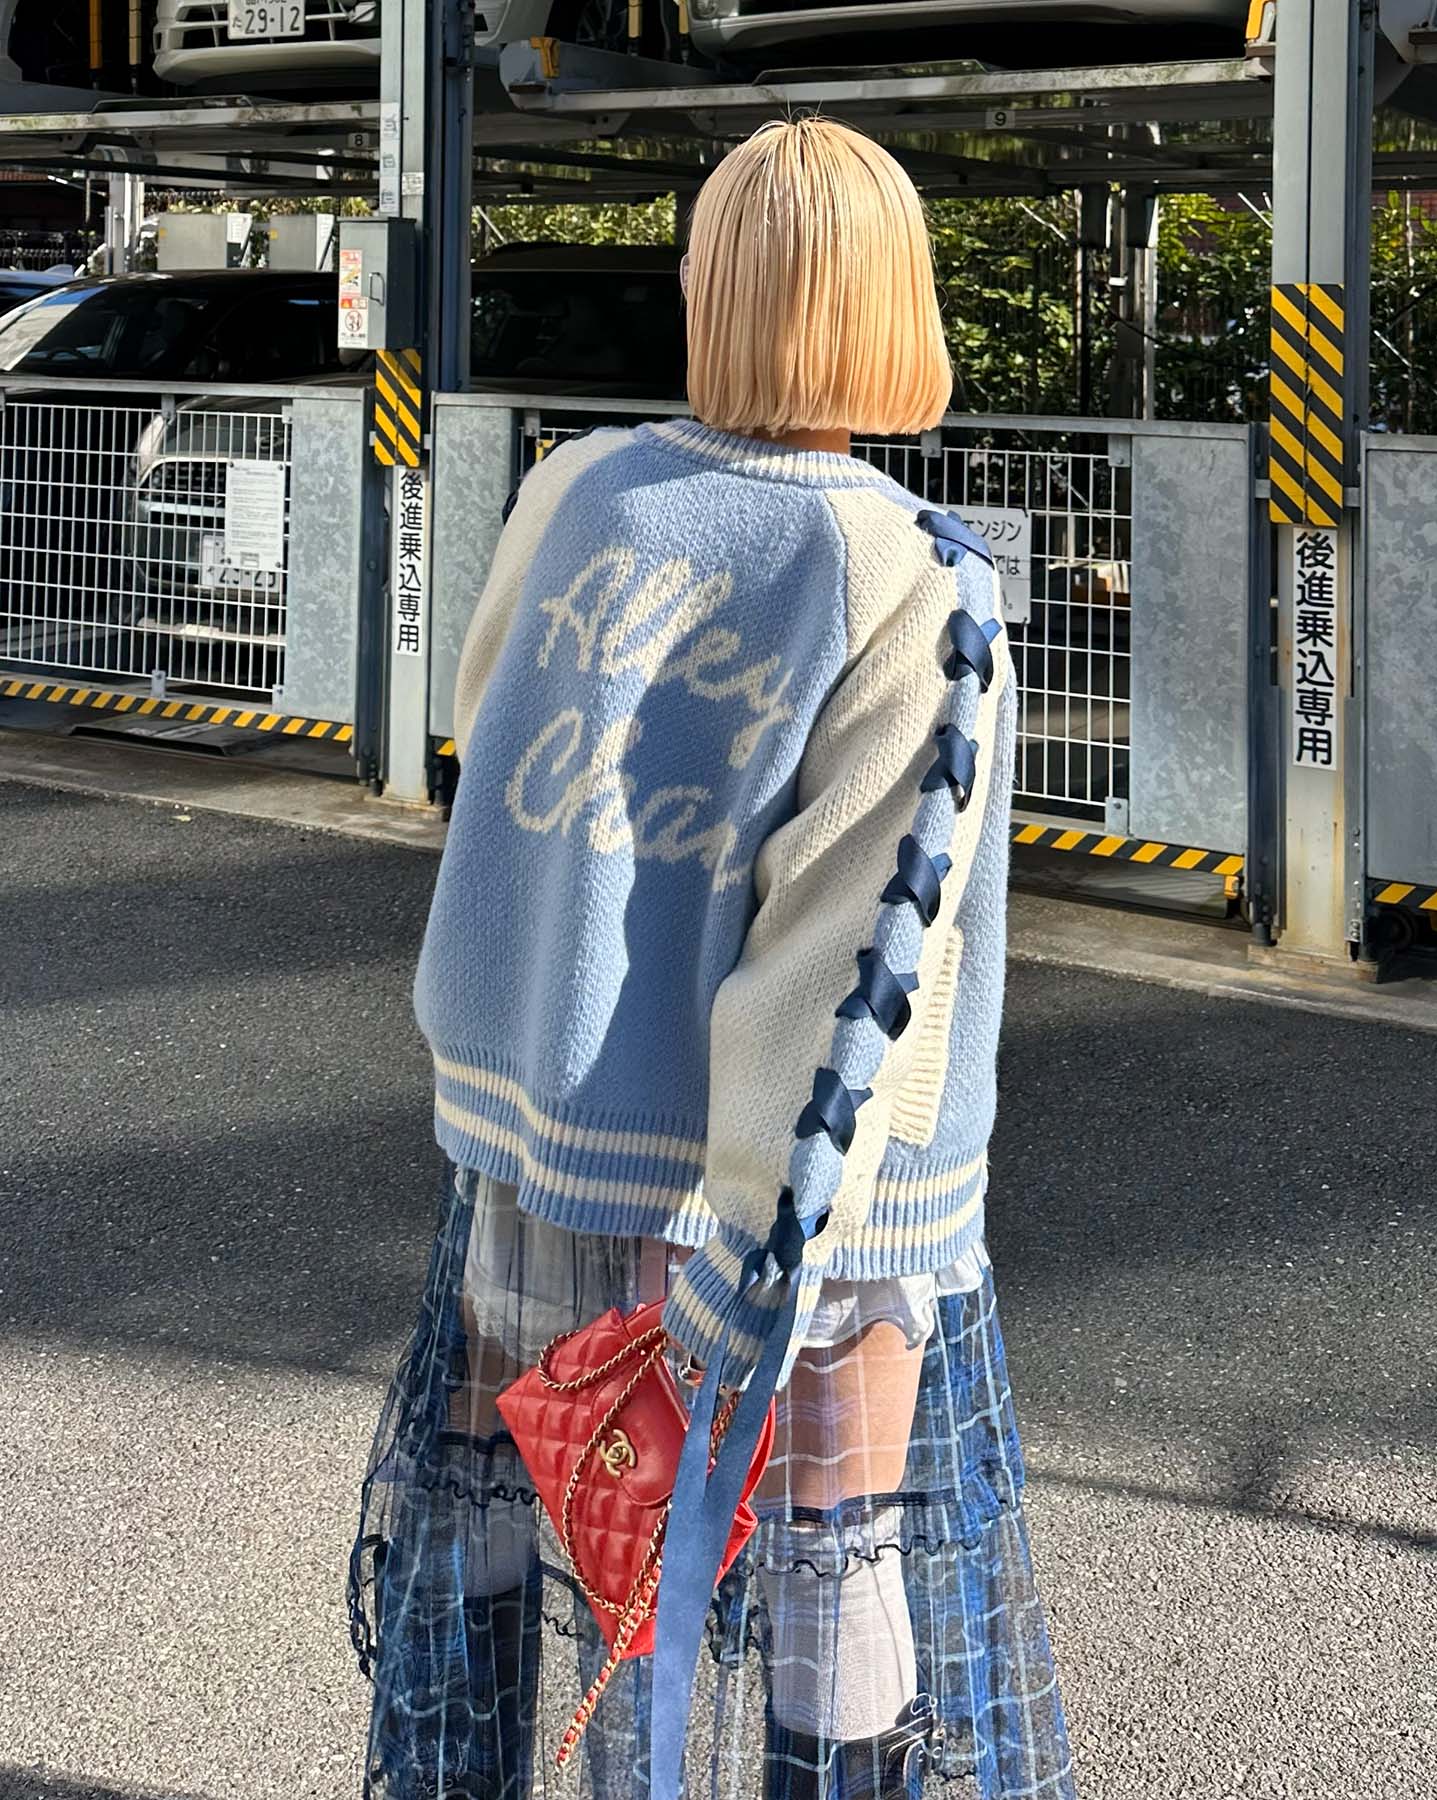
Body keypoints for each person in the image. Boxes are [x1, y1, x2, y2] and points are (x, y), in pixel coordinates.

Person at [349, 116, 1075, 1800]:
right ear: (898, 298)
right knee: (836, 1571)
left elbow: (488, 730)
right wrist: (744, 1255)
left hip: (534, 1150)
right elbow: (856, 964)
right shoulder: (912, 578)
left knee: (525, 1526)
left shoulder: (574, 492)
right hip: (800, 1217)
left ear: (710, 288)